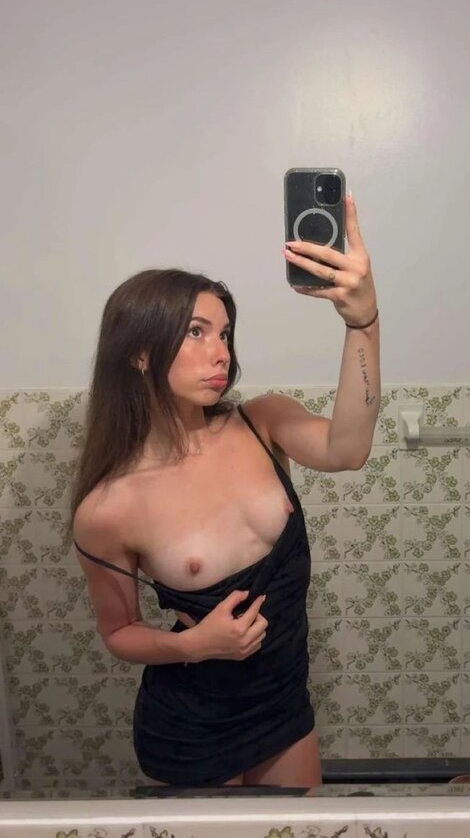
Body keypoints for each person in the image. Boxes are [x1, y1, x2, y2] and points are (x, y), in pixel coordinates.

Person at [71, 193, 380, 789]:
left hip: (283, 705)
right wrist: (196, 645)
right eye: (196, 332)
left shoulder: (262, 422)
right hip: (188, 727)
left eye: (225, 333)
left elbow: (348, 450)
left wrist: (362, 322)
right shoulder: (109, 508)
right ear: (139, 352)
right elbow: (119, 633)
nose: (221, 353)